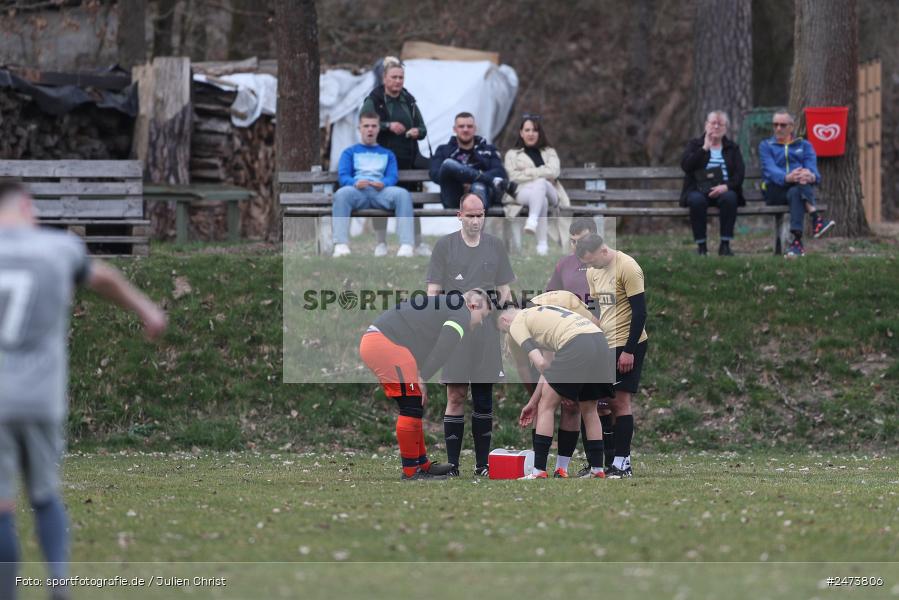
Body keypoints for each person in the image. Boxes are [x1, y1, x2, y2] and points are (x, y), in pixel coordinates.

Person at [0, 179, 167, 600]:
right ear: (26, 206)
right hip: (41, 396)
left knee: (1, 506)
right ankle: (59, 588)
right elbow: (104, 277)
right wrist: (146, 308)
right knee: (43, 494)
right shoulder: (59, 249)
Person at [426, 193, 515, 476]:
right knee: (456, 395)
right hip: (455, 329)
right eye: (471, 215)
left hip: (486, 331)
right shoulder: (445, 246)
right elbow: (433, 291)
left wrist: (511, 317)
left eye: (480, 215)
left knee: (484, 397)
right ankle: (452, 465)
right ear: (459, 215)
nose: (476, 221)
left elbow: (504, 290)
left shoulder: (495, 246)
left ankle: (482, 465)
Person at [359, 289, 491, 481]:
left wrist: (419, 375)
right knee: (410, 406)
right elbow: (444, 346)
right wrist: (423, 377)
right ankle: (412, 471)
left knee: (414, 404)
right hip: (385, 343)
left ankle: (422, 464)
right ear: (473, 306)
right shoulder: (461, 311)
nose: (481, 322)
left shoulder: (448, 304)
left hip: (385, 342)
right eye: (483, 315)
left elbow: (419, 336)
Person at [497, 304, 614, 480]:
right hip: (599, 339)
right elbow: (551, 367)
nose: (509, 335)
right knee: (589, 409)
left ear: (504, 320)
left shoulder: (516, 324)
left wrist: (550, 394)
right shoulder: (543, 313)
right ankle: (597, 469)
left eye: (504, 332)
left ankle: (538, 471)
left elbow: (542, 364)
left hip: (576, 342)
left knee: (546, 405)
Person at [575, 234, 648, 479]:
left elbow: (640, 313)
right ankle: (605, 462)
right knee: (601, 404)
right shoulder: (592, 271)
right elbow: (598, 310)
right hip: (603, 344)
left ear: (603, 251)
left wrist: (629, 350)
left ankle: (623, 463)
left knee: (620, 403)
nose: (591, 267)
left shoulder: (628, 267)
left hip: (628, 342)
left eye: (592, 261)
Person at [361, 56, 432, 257]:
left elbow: (423, 128)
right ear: (385, 78)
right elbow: (365, 123)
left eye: (401, 77)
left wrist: (417, 131)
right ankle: (381, 243)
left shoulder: (408, 100)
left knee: (413, 199)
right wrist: (387, 126)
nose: (398, 81)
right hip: (381, 158)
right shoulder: (374, 100)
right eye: (394, 77)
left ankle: (417, 242)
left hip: (409, 157)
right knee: (380, 198)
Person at [332, 112, 415, 258]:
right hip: (358, 192)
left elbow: (392, 175)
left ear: (378, 129)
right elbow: (343, 175)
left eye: (373, 126)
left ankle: (406, 245)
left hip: (380, 192)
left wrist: (384, 183)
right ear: (360, 128)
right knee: (341, 194)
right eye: (366, 126)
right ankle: (341, 245)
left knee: (402, 194)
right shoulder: (349, 152)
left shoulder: (388, 154)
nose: (370, 129)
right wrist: (354, 183)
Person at [760, 108, 836, 257]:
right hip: (774, 191)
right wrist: (788, 177)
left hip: (796, 191)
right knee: (798, 182)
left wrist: (810, 176)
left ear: (791, 127)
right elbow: (770, 169)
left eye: (783, 125)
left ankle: (797, 242)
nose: (778, 128)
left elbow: (813, 171)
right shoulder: (766, 145)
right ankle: (816, 219)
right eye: (775, 125)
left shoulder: (805, 145)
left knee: (797, 190)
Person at [680, 110, 746, 256]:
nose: (716, 127)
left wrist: (726, 186)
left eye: (720, 124)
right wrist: (704, 148)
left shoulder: (732, 148)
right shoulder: (695, 145)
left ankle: (725, 245)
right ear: (706, 125)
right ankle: (701, 247)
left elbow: (739, 174)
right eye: (713, 123)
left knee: (730, 198)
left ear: (725, 127)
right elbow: (686, 166)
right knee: (696, 200)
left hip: (723, 190)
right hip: (698, 190)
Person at [503, 115, 571, 255]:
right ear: (521, 133)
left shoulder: (549, 151)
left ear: (539, 133)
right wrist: (543, 173)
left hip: (552, 193)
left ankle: (532, 219)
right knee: (542, 199)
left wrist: (528, 172)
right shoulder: (512, 154)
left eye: (535, 130)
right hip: (523, 192)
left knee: (541, 184)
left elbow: (554, 171)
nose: (531, 133)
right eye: (527, 130)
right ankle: (542, 247)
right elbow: (513, 176)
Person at [429, 112, 509, 209]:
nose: (465, 129)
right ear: (455, 129)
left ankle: (474, 220)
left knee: (477, 185)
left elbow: (500, 172)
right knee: (448, 164)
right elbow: (435, 173)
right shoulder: (443, 149)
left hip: (481, 192)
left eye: (469, 126)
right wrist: (462, 180)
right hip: (453, 195)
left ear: (475, 129)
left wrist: (472, 181)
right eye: (461, 126)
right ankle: (480, 180)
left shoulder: (488, 149)